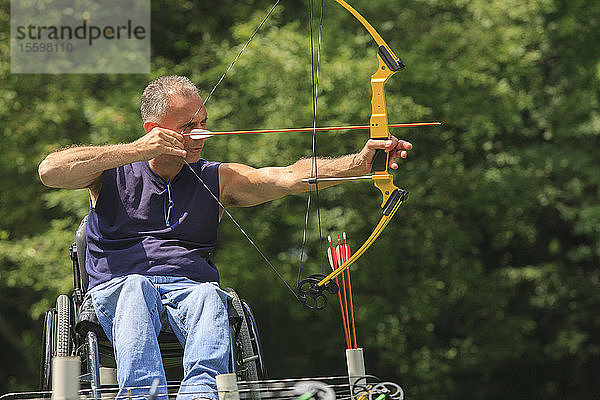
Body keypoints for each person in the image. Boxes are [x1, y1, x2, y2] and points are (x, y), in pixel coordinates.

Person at [38, 75, 413, 399]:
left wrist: (360, 164)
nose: (201, 133)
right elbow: (50, 170)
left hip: (189, 290)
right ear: (154, 130)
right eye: (187, 125)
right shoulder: (110, 171)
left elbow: (289, 176)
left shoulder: (217, 178)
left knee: (207, 294)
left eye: (204, 121)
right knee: (136, 287)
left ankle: (201, 394)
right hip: (120, 290)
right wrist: (134, 150)